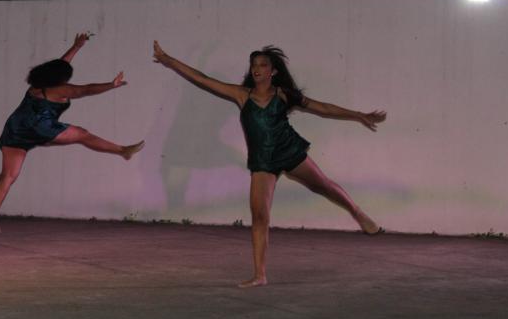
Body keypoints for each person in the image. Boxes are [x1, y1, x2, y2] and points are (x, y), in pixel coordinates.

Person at [152, 41, 385, 288]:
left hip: (289, 151)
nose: (257, 69)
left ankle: (357, 212)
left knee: (324, 186)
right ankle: (260, 274)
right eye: (254, 65)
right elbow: (202, 78)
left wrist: (358, 115)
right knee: (260, 216)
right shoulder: (242, 95)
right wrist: (169, 61)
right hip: (263, 161)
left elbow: (322, 107)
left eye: (263, 65)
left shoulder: (283, 94)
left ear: (273, 71)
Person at [0, 33, 145, 234]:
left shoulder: (39, 84)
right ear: (60, 79)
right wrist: (111, 85)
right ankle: (123, 150)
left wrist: (76, 47)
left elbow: (60, 64)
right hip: (40, 127)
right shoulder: (61, 90)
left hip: (16, 127)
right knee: (82, 134)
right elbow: (85, 90)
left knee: (9, 174)